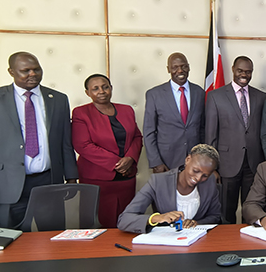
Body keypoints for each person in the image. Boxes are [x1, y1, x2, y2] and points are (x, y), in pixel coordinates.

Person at [0, 52, 78, 228]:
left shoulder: (58, 99)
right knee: (9, 239)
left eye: (37, 69)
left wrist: (71, 177)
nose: (33, 74)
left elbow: (65, 143)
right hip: (6, 184)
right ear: (11, 72)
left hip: (49, 182)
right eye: (26, 70)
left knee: (52, 237)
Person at [72, 74, 143, 228]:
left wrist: (130, 158)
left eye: (105, 87)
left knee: (126, 223)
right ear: (87, 93)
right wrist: (118, 163)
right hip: (97, 180)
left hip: (126, 178)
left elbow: (137, 137)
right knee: (99, 225)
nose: (101, 91)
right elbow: (82, 145)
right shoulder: (81, 113)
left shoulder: (126, 110)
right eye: (95, 89)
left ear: (111, 88)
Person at [205, 56, 266, 224]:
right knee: (226, 211)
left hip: (253, 164)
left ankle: (250, 239)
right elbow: (210, 135)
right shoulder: (215, 96)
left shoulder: (261, 97)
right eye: (240, 71)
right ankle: (228, 239)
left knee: (252, 209)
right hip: (226, 164)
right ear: (233, 69)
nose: (244, 75)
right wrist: (212, 167)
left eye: (248, 72)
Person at [117, 144, 221, 233]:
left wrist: (197, 223)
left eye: (205, 175)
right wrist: (157, 218)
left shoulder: (209, 182)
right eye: (195, 170)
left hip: (197, 241)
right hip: (166, 241)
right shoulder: (158, 181)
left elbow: (215, 216)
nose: (198, 178)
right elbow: (124, 219)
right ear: (188, 160)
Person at [143, 52, 205, 173]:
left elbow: (202, 128)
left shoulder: (199, 92)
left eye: (183, 66)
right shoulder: (154, 94)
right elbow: (149, 132)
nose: (180, 70)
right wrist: (156, 162)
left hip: (195, 161)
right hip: (166, 162)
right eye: (175, 67)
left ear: (189, 67)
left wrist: (203, 158)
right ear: (168, 69)